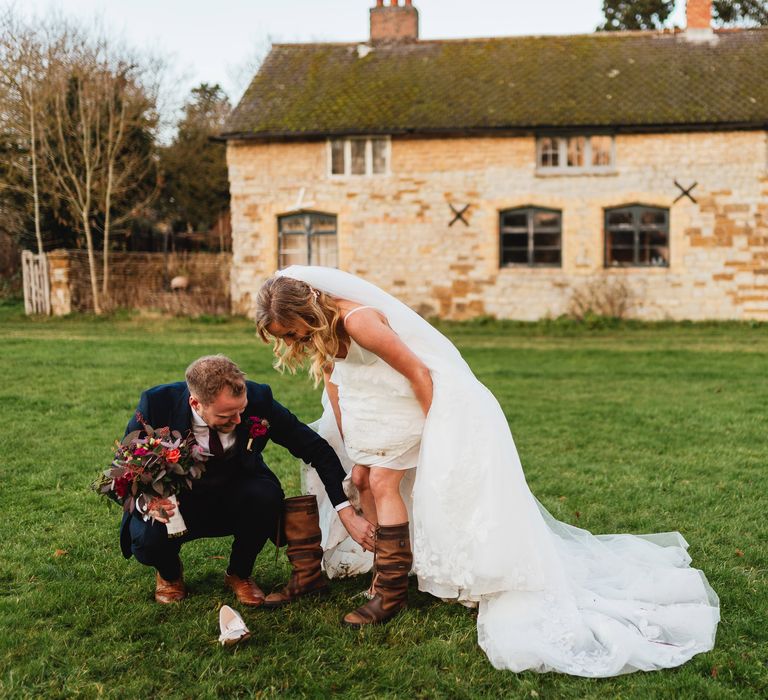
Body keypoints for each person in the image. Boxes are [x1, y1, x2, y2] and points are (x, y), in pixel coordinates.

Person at [254, 266, 720, 677]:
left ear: (308, 311)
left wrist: (441, 430)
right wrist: (344, 427)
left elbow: (419, 373)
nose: (291, 342)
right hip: (368, 403)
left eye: (292, 332)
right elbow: (338, 378)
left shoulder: (360, 321)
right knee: (360, 480)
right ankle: (388, 567)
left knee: (381, 481)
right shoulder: (324, 332)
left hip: (409, 400)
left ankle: (390, 592)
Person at [118, 354, 374, 606]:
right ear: (196, 404)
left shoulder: (258, 399)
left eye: (241, 411)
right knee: (147, 540)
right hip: (179, 502)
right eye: (227, 416)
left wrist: (345, 509)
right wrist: (148, 503)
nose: (239, 420)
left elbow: (316, 449)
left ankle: (240, 574)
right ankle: (170, 575)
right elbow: (123, 472)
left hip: (236, 495)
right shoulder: (157, 404)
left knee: (266, 495)